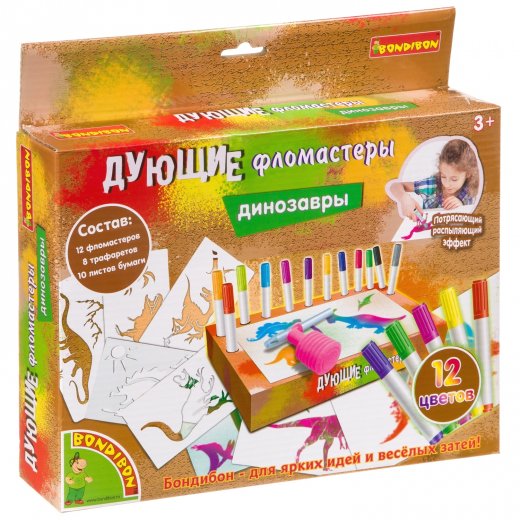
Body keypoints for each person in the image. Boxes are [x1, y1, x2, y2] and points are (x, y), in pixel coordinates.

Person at [389, 139, 479, 221]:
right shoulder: (432, 185)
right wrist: (404, 198)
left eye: (454, 179)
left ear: (468, 174)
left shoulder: (470, 192)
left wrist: (462, 209)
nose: (447, 184)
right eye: (443, 176)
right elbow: (395, 186)